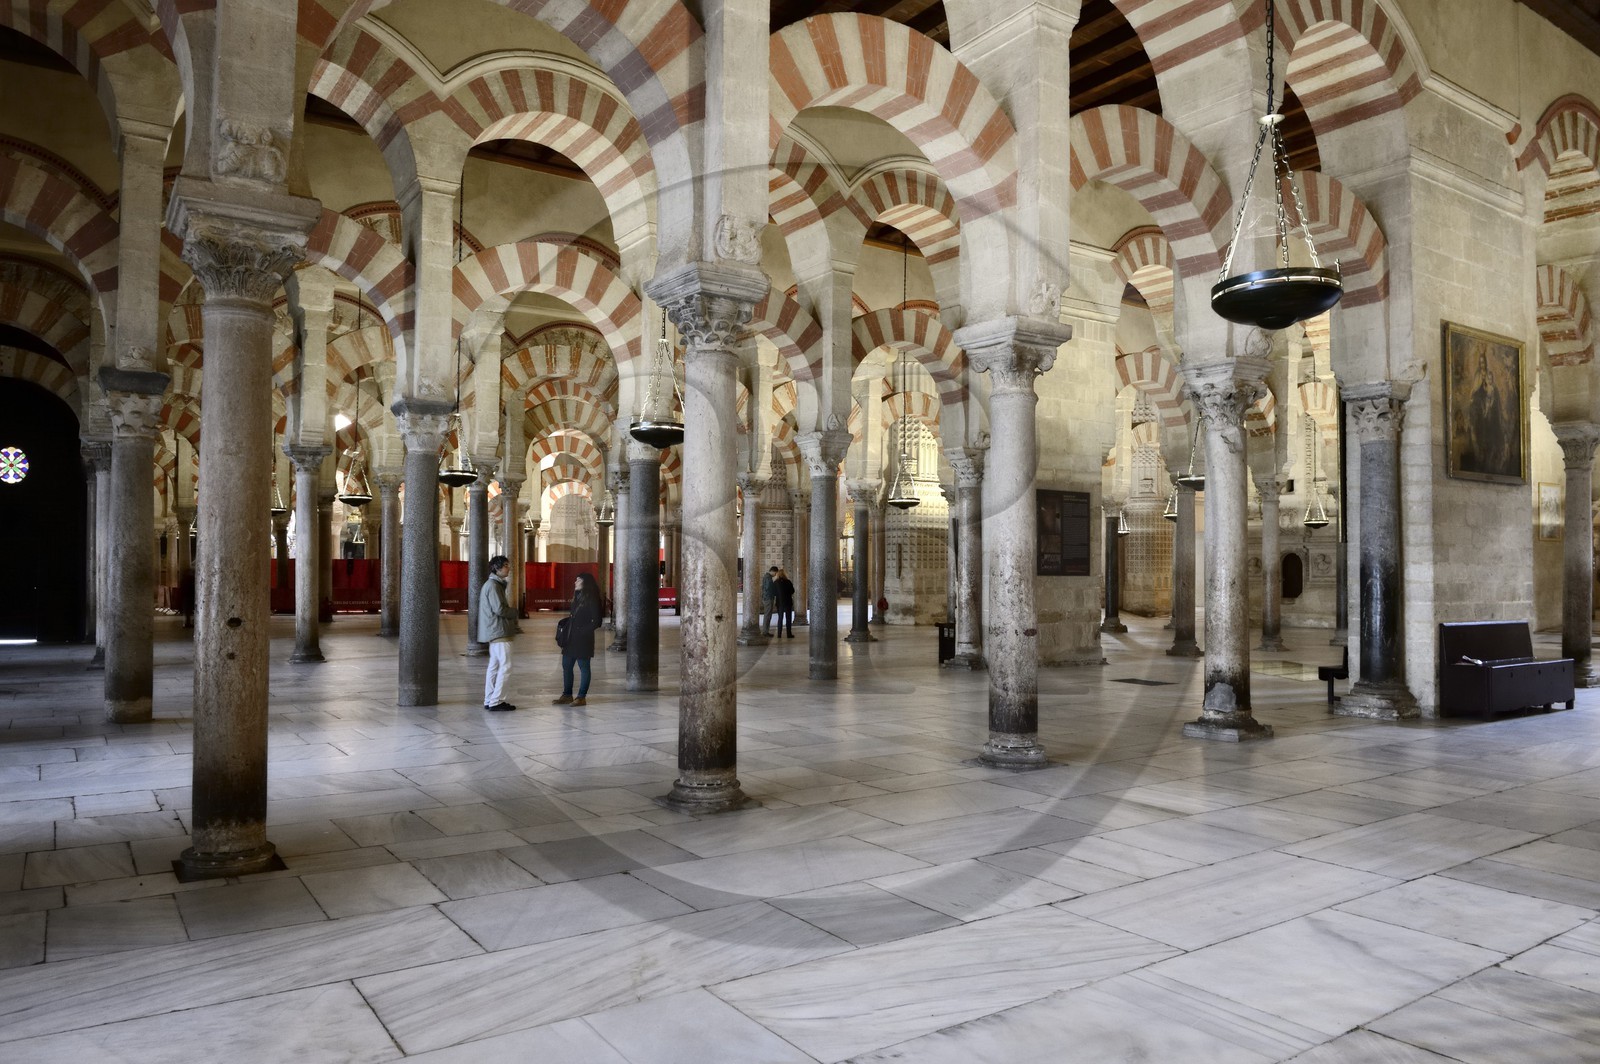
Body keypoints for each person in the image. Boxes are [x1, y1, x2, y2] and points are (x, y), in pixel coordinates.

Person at [555, 571, 603, 706]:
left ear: (585, 583)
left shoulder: (592, 598)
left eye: (578, 580)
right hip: (571, 638)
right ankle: (567, 695)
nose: (575, 582)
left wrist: (582, 631)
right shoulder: (577, 596)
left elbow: (597, 621)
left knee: (584, 666)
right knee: (567, 665)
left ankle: (581, 697)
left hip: (583, 638)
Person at [479, 555, 517, 711]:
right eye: (506, 565)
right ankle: (497, 700)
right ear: (497, 568)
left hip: (494, 631)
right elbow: (500, 609)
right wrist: (514, 612)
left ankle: (490, 699)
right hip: (499, 631)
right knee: (505, 666)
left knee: (494, 666)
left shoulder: (493, 584)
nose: (508, 568)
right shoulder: (494, 586)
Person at [773, 567, 796, 638]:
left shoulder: (775, 582)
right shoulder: (788, 582)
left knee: (780, 618)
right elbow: (792, 591)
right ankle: (789, 634)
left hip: (779, 602)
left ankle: (779, 634)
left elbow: (774, 592)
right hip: (788, 602)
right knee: (788, 618)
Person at [760, 565, 778, 636]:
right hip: (768, 598)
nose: (775, 574)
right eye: (775, 573)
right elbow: (768, 588)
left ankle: (766, 631)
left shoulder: (767, 577)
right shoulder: (768, 577)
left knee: (768, 615)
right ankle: (765, 632)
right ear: (773, 571)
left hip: (767, 597)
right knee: (767, 615)